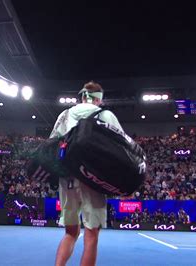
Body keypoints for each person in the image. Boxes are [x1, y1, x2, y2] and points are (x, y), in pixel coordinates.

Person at [51, 81, 124, 266]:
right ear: (98, 99)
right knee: (91, 235)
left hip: (66, 179)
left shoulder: (65, 114)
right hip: (93, 179)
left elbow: (51, 144)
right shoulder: (106, 115)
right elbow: (121, 149)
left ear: (82, 96)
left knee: (70, 233)